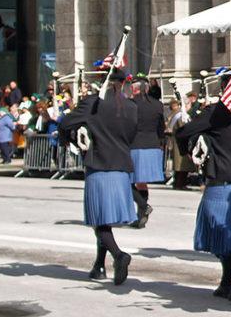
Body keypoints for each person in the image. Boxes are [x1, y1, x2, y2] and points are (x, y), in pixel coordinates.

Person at [176, 81, 231, 302]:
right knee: (228, 236)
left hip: (221, 178)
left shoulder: (216, 113)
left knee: (212, 232)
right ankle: (225, 281)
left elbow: (185, 132)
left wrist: (192, 146)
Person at [59, 70, 138, 285]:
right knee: (104, 221)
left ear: (104, 81)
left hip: (99, 164)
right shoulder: (131, 107)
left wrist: (74, 137)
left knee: (98, 219)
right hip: (121, 165)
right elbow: (132, 135)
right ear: (123, 84)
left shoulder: (92, 103)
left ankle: (119, 255)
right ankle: (99, 265)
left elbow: (65, 123)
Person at [129, 78, 166, 228]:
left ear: (136, 89)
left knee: (126, 181)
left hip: (135, 145)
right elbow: (160, 127)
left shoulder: (131, 104)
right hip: (153, 145)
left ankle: (143, 206)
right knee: (142, 182)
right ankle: (140, 217)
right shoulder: (158, 104)